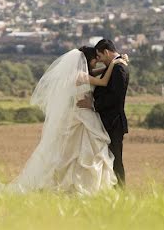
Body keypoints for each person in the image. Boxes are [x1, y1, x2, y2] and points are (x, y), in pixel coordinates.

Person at [9, 47, 127, 194]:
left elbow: (96, 74)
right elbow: (102, 82)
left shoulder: (79, 74)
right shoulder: (81, 76)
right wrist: (114, 64)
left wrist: (111, 64)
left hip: (83, 114)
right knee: (83, 151)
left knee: (79, 151)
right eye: (95, 59)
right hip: (83, 115)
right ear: (86, 60)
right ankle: (82, 185)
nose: (97, 62)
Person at [77, 39, 129, 187]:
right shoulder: (114, 66)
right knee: (106, 157)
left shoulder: (118, 68)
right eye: (96, 58)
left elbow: (115, 98)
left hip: (113, 122)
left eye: (99, 56)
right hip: (104, 120)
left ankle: (120, 189)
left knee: (115, 158)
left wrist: (92, 104)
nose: (98, 61)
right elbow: (98, 78)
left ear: (106, 52)